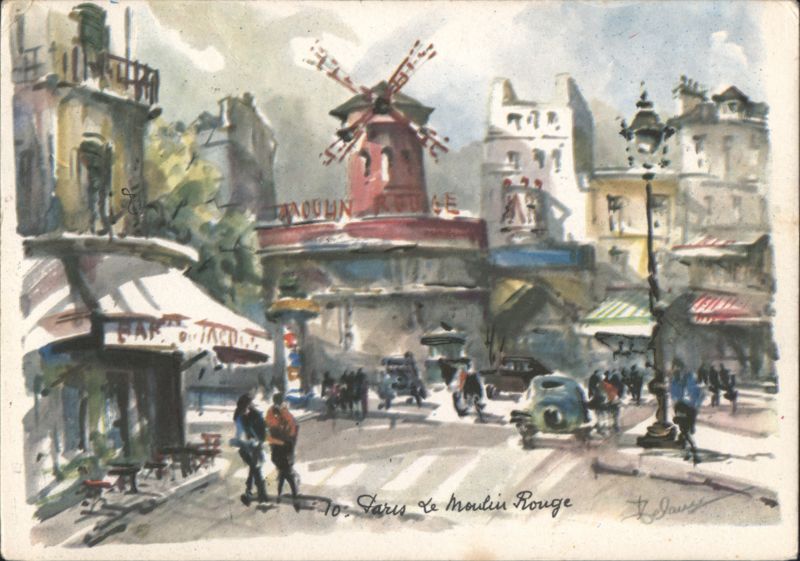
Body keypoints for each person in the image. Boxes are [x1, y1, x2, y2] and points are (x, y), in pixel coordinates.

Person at [266, 393, 300, 512]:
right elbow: (293, 428)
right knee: (288, 475)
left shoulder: (272, 412)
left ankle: (280, 496)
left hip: (278, 449)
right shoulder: (282, 412)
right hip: (283, 448)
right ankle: (295, 502)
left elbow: (269, 430)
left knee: (283, 472)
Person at [232, 394, 268, 506]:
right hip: (248, 446)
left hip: (256, 444)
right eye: (242, 409)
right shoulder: (240, 416)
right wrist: (238, 440)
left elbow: (263, 432)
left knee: (255, 468)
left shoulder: (256, 415)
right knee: (255, 468)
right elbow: (240, 431)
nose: (244, 410)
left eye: (246, 407)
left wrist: (259, 441)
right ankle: (258, 493)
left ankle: (255, 492)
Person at [670, 360, 705, 465]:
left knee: (686, 431)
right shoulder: (687, 377)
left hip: (685, 407)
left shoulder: (686, 378)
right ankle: (688, 452)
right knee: (686, 430)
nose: (674, 370)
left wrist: (696, 404)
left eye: (676, 367)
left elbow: (699, 392)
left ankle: (695, 453)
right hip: (686, 407)